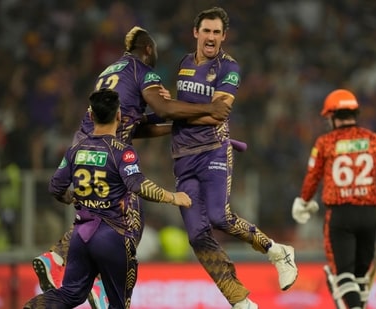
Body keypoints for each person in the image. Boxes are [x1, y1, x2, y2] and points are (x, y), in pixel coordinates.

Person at [31, 26, 232, 308]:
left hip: (83, 149)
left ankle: (56, 257)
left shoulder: (110, 72)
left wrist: (177, 126)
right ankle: (100, 283)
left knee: (95, 218)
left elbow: (135, 125)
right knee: (130, 219)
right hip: (109, 153)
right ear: (148, 48)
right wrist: (207, 110)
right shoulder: (143, 71)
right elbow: (163, 110)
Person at [170, 7, 298, 309]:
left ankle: (277, 251)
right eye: (207, 31)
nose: (211, 37)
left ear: (223, 36)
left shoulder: (230, 68)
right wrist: (168, 115)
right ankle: (239, 300)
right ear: (196, 33)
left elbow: (219, 113)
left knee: (218, 216)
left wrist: (172, 111)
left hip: (213, 150)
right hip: (183, 158)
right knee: (197, 236)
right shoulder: (184, 63)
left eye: (217, 32)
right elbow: (194, 112)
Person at [23, 88, 191, 309]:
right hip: (112, 236)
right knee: (118, 304)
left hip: (81, 236)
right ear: (119, 115)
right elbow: (138, 185)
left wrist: (72, 197)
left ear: (91, 116)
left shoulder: (75, 150)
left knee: (70, 294)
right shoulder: (123, 152)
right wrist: (173, 197)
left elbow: (55, 187)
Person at [291, 89, 376, 309]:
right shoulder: (375, 141)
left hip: (341, 215)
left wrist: (304, 202)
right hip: (369, 216)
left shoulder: (325, 142)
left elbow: (312, 177)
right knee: (361, 277)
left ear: (331, 116)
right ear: (355, 113)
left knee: (344, 275)